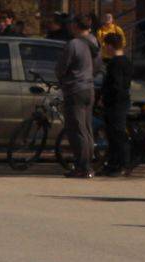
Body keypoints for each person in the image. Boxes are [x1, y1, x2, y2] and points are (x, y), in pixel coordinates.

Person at [55, 16, 97, 178]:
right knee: (86, 127)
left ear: (76, 26)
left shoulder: (74, 44)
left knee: (76, 128)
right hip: (89, 87)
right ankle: (88, 164)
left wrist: (61, 78)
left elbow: (62, 67)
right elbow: (98, 65)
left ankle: (82, 166)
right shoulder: (93, 42)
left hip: (75, 89)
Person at [98, 33, 132, 175]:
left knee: (117, 135)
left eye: (106, 45)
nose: (105, 48)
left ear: (111, 46)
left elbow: (116, 84)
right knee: (112, 135)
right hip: (122, 100)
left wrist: (105, 96)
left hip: (115, 103)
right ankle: (112, 163)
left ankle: (122, 164)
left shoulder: (115, 63)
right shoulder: (126, 61)